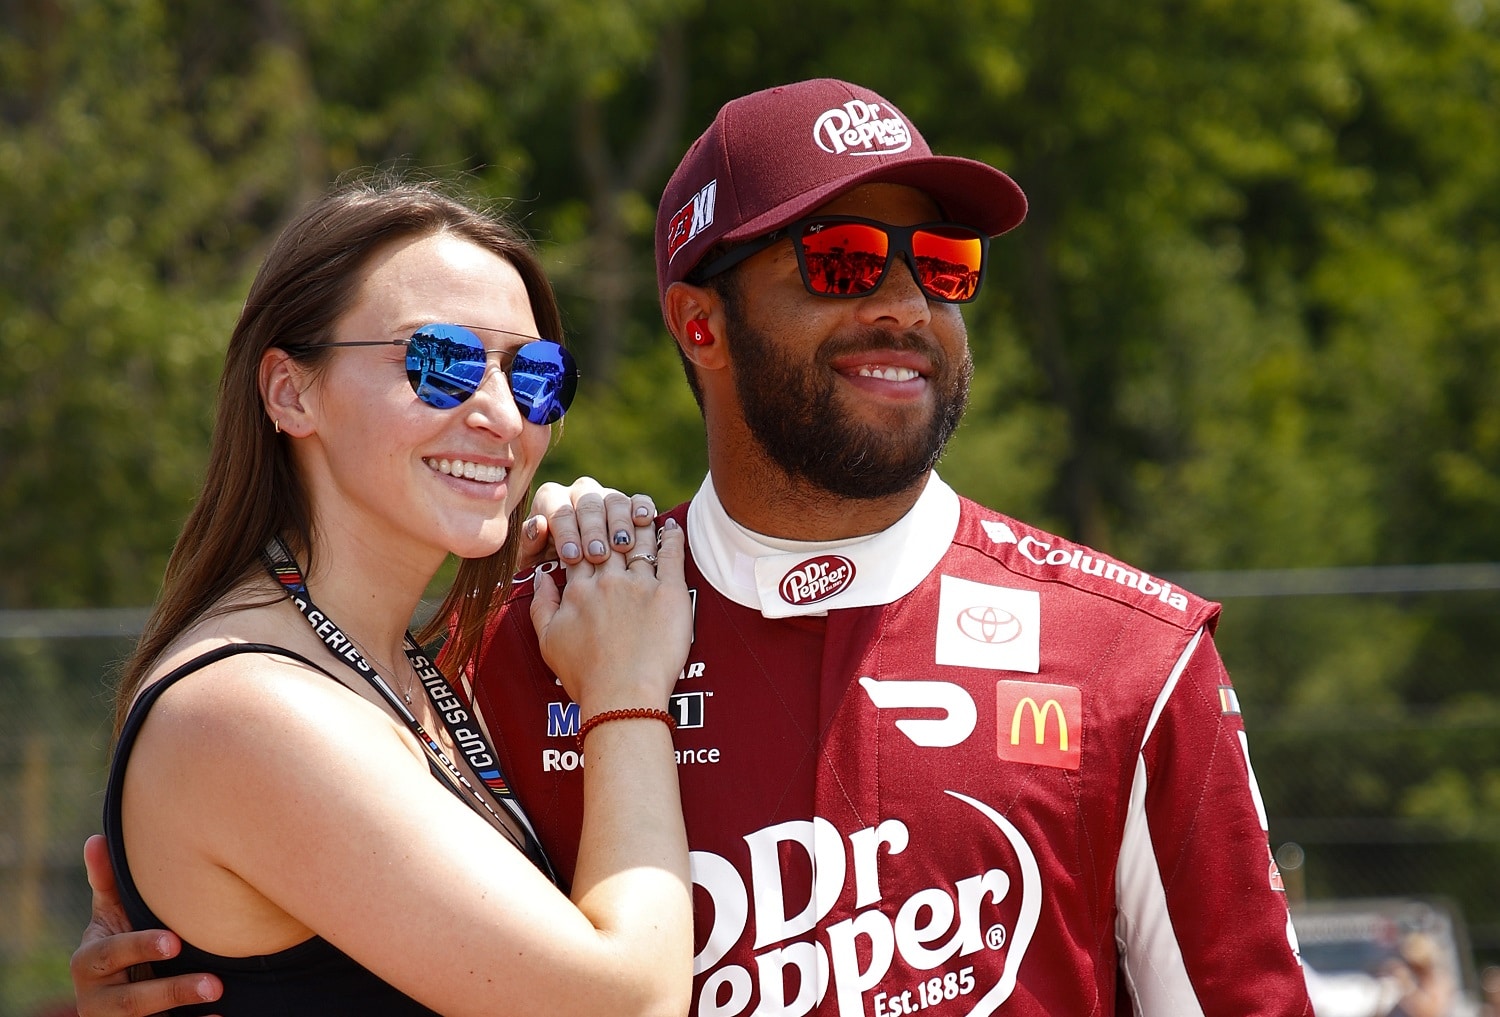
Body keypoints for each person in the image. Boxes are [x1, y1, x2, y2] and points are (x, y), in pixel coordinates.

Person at [72, 79, 1312, 1015]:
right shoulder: (525, 641)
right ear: (698, 324)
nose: (901, 304)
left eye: (941, 264)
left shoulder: (1134, 658)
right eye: (836, 262)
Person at [80, 175, 695, 1016]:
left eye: (536, 375)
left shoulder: (393, 666)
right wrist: (627, 691)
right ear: (290, 392)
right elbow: (629, 1004)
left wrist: (573, 561)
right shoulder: (247, 709)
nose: (502, 415)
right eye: (438, 362)